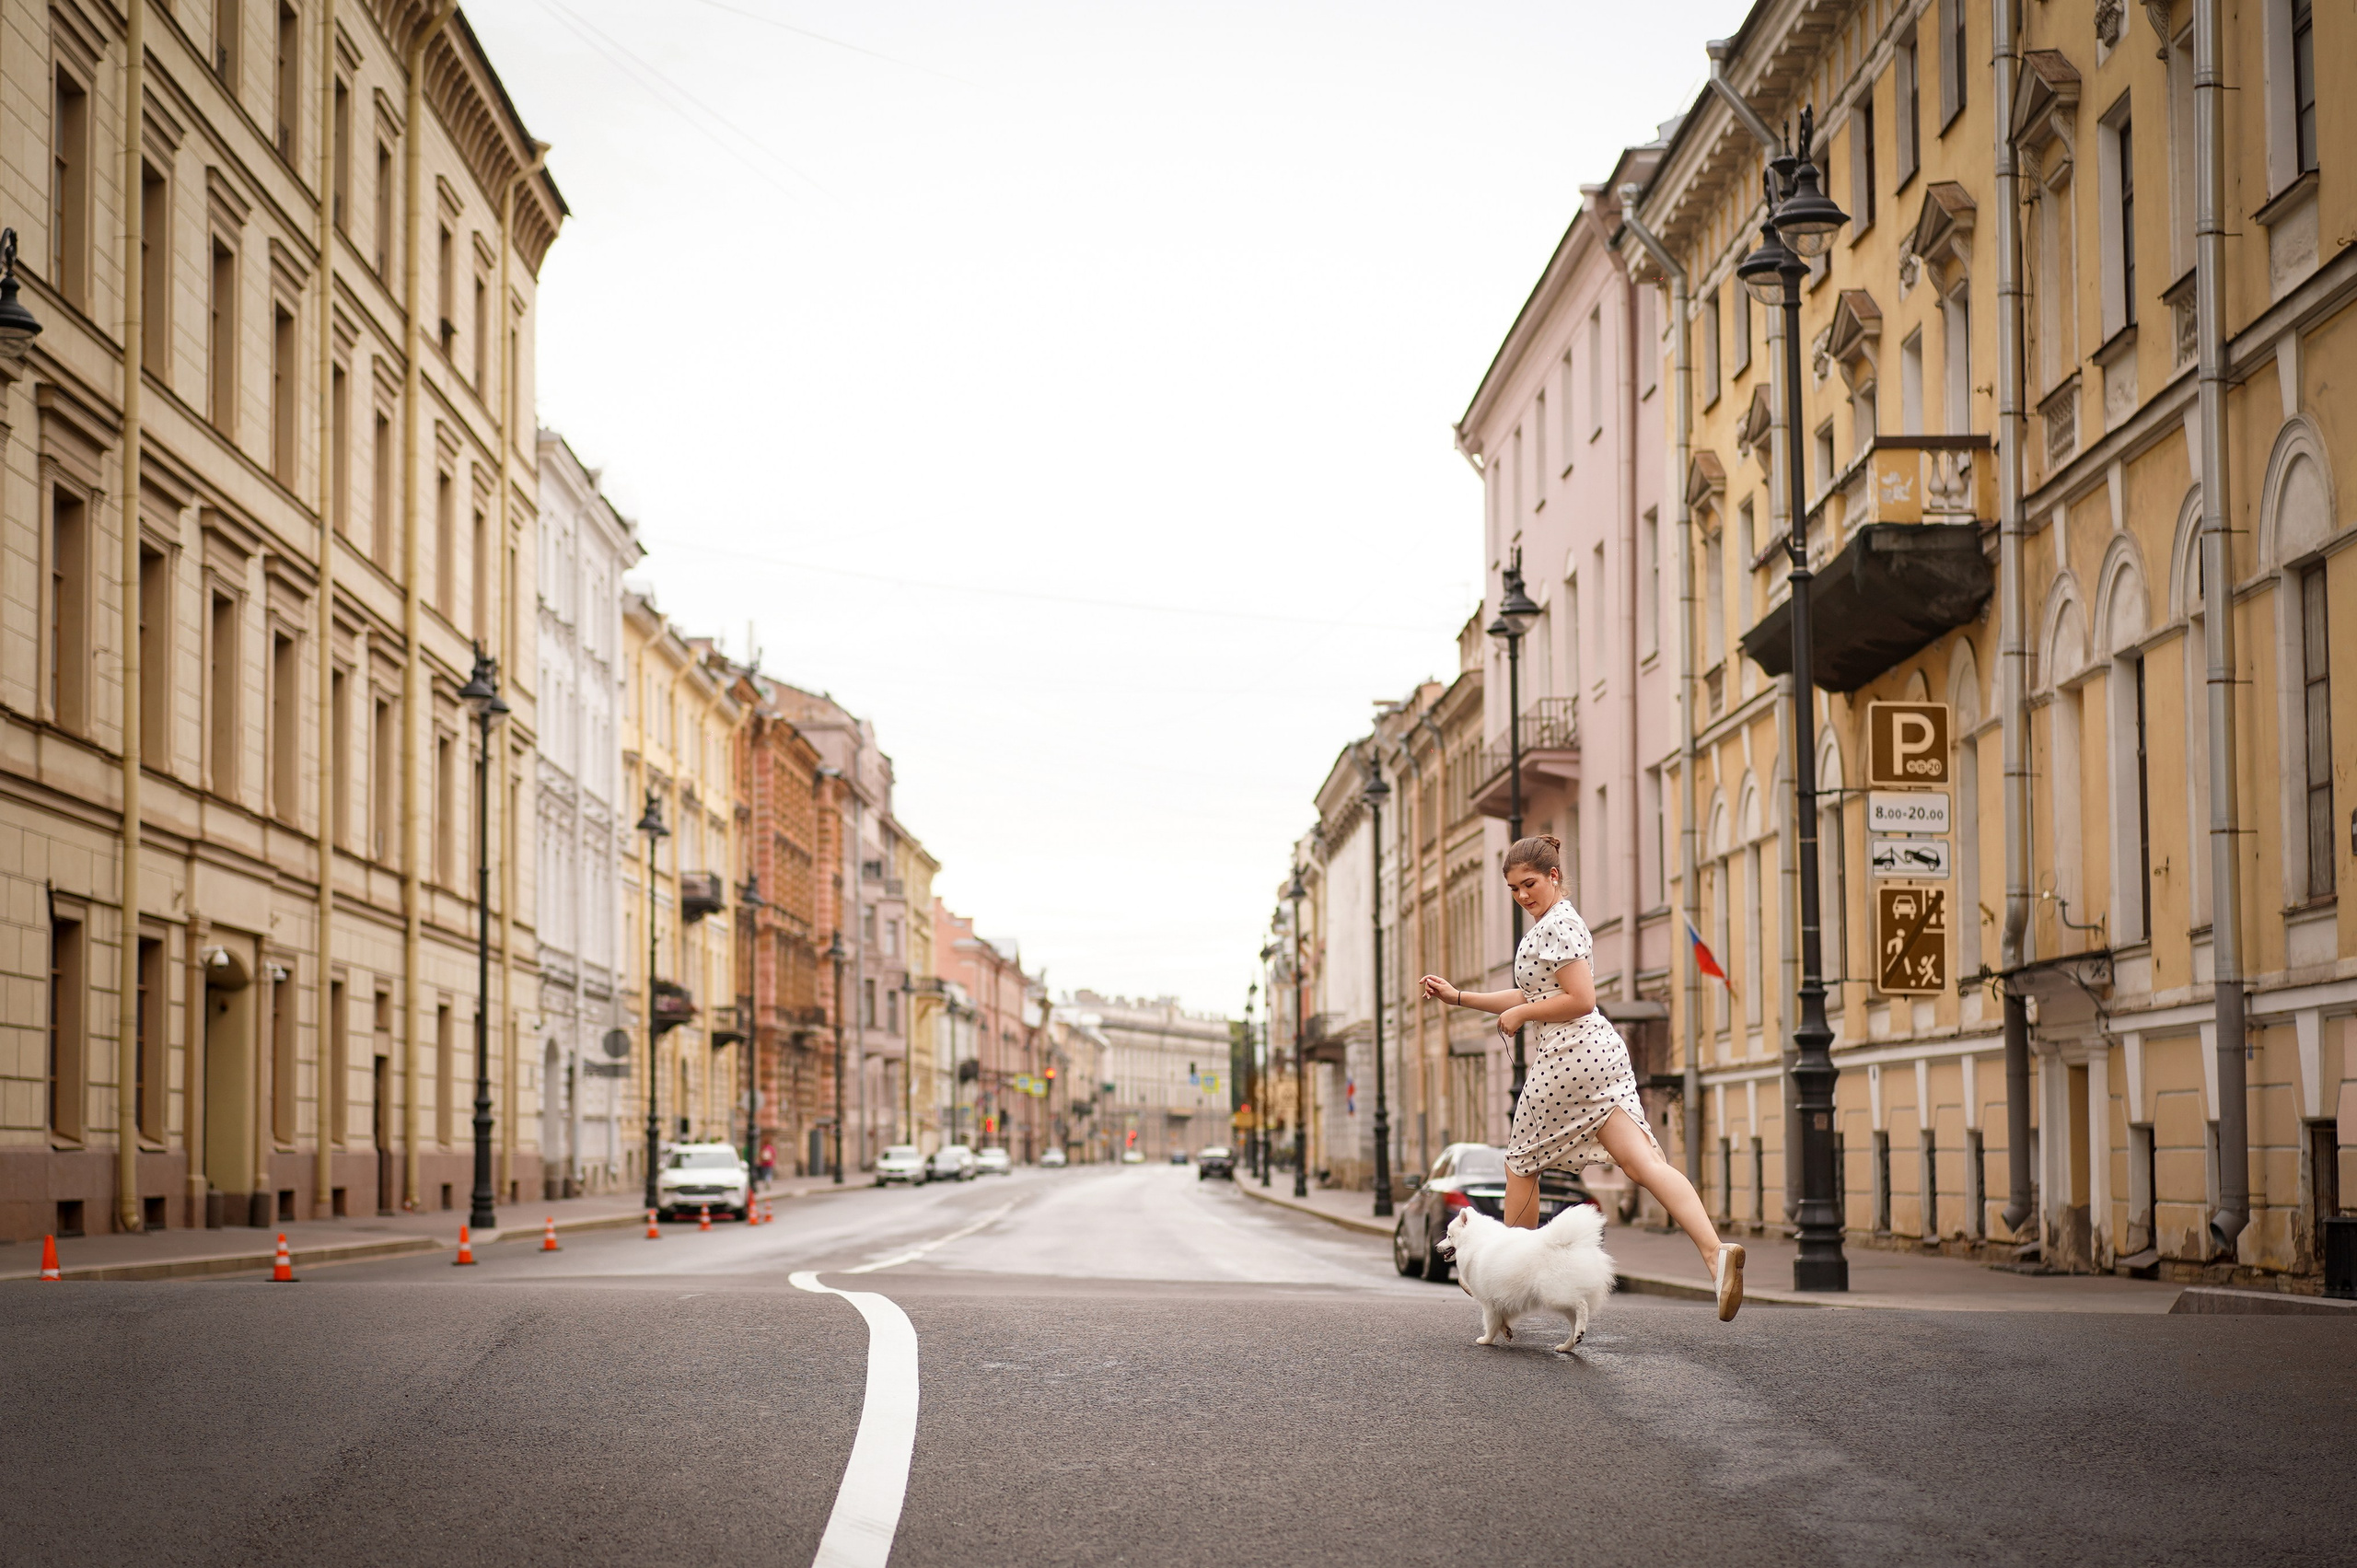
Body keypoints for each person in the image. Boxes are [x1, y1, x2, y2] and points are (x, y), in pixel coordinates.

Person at [1420, 833, 1744, 1321]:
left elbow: (1580, 999)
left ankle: (1507, 1282)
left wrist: (1523, 1014)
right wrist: (1460, 997)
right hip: (1599, 1057)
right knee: (1644, 1164)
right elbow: (1532, 992)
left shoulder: (1557, 924)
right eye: (1513, 889)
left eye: (1529, 884)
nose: (1522, 895)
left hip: (1568, 1055)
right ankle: (1716, 1255)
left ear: (1554, 876)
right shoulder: (1556, 923)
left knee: (1520, 1166)